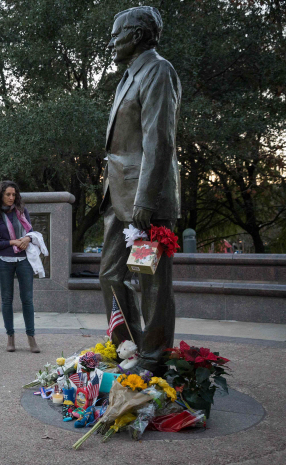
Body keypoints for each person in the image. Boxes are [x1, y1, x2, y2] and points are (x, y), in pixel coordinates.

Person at [100, 7, 182, 372]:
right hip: (118, 197)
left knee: (150, 280)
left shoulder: (158, 70)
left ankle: (153, 356)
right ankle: (128, 348)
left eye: (117, 35)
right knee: (110, 275)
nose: (112, 42)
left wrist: (146, 199)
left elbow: (158, 139)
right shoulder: (129, 77)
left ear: (135, 35)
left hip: (143, 201)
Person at [0, 181, 40, 353]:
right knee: (6, 300)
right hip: (4, 262)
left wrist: (27, 239)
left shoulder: (22, 212)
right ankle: (10, 337)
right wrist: (12, 242)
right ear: (1, 196)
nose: (11, 198)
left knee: (27, 299)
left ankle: (31, 337)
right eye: (8, 194)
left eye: (14, 194)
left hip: (24, 261)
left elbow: (31, 233)